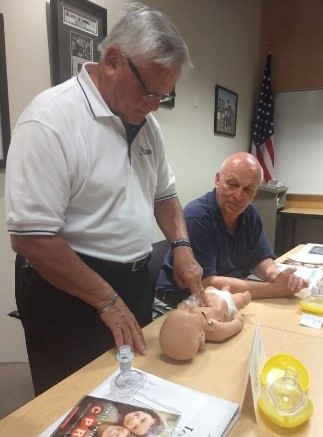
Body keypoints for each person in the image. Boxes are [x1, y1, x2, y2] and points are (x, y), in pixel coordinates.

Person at [4, 2, 208, 396]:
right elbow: (30, 238)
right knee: (73, 402)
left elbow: (165, 196)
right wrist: (107, 301)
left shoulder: (147, 127)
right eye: (148, 91)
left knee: (130, 388)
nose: (152, 107)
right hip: (68, 287)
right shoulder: (50, 119)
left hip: (133, 279)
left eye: (162, 97)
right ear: (113, 59)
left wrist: (181, 245)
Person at [156, 152, 309, 306]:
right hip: (179, 303)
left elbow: (260, 258)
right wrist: (274, 290)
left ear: (255, 193)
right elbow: (206, 282)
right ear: (217, 180)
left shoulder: (250, 214)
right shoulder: (197, 217)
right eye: (232, 184)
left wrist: (276, 275)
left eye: (248, 190)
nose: (238, 196)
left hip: (225, 298)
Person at [159, 285, 250, 360]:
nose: (188, 308)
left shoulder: (188, 309)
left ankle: (224, 289)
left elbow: (193, 299)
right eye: (192, 313)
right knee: (239, 299)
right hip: (228, 302)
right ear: (201, 336)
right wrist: (238, 322)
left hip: (208, 294)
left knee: (209, 287)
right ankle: (244, 298)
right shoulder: (213, 329)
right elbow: (228, 329)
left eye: (182, 309)